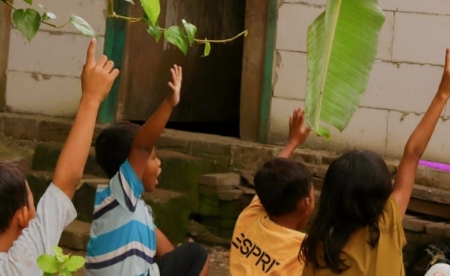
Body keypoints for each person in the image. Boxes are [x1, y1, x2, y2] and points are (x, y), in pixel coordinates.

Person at [300, 48, 450, 276]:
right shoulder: (387, 221)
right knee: (443, 271)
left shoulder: (318, 247)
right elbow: (412, 153)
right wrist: (442, 94)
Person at [0, 40, 119, 275]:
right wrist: (91, 98)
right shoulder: (18, 264)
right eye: (32, 203)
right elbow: (65, 182)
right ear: (23, 217)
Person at [86, 64, 209, 276]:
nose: (159, 163)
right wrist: (169, 103)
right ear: (134, 165)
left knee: (188, 257)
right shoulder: (121, 195)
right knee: (196, 254)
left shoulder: (131, 209)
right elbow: (141, 146)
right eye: (152, 157)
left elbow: (169, 253)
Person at [230, 108, 313, 276]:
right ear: (305, 204)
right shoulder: (305, 253)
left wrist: (292, 142)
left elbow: (272, 180)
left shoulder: (250, 217)